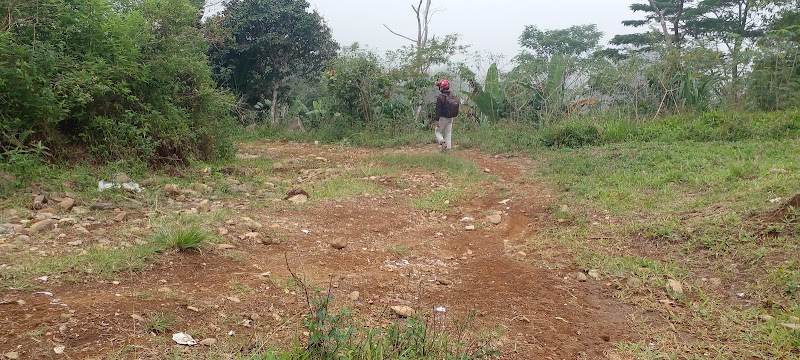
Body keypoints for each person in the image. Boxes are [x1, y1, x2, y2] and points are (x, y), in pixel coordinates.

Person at [434, 79, 458, 152]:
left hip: (442, 118)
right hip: (450, 118)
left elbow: (438, 110)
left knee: (437, 131)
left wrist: (437, 120)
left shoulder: (440, 97)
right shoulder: (452, 95)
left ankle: (442, 142)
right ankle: (448, 149)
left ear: (441, 88)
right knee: (448, 133)